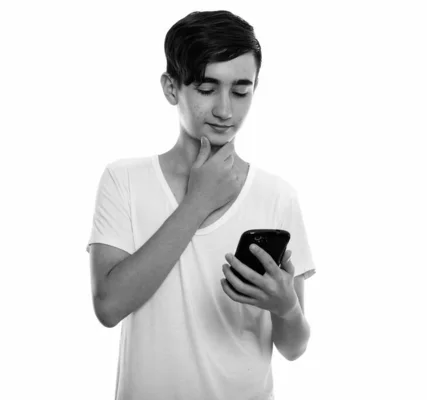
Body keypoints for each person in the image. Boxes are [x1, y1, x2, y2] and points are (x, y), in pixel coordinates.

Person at [86, 10, 316, 400]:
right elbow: (108, 307)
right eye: (207, 89)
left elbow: (294, 348)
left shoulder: (277, 195)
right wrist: (199, 201)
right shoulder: (123, 180)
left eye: (241, 90)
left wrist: (287, 308)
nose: (226, 110)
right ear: (171, 87)